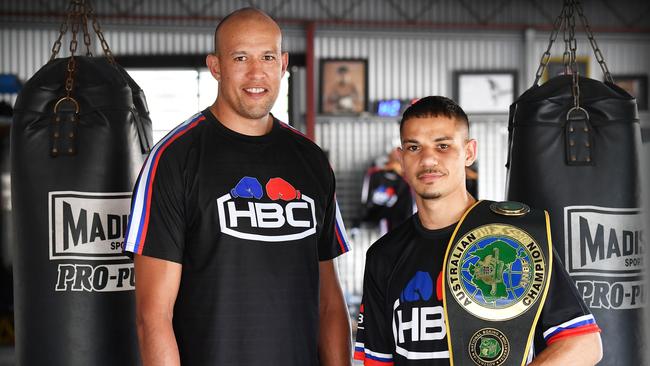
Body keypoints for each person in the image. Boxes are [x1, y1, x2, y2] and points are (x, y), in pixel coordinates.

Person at [124, 8, 352, 366]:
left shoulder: (311, 161)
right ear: (216, 67)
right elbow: (152, 316)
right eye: (241, 57)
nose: (256, 72)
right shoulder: (173, 159)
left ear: (283, 64)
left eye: (268, 57)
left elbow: (330, 303)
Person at [353, 96, 602, 365]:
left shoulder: (516, 237)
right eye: (414, 147)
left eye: (443, 146)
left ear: (469, 152)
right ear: (401, 158)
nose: (427, 159)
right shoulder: (383, 255)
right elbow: (377, 361)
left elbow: (583, 343)